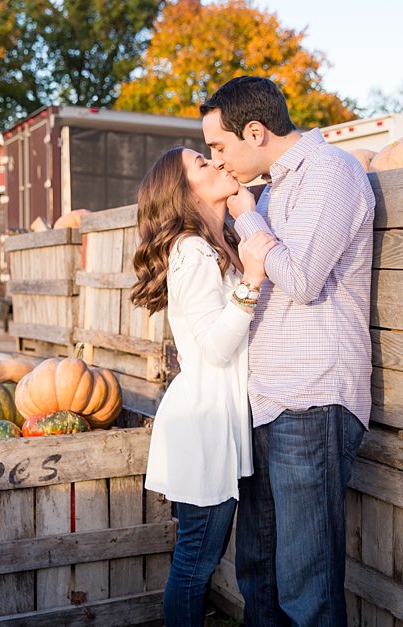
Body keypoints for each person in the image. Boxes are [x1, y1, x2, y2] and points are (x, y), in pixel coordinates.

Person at [199, 76, 375, 626]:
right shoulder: (273, 188)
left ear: (255, 131)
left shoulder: (332, 173)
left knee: (307, 585)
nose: (218, 162)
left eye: (220, 148)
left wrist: (245, 217)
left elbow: (299, 278)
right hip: (266, 400)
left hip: (314, 398)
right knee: (260, 575)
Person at [131, 146, 276, 626]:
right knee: (196, 563)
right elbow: (214, 348)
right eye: (202, 163)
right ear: (184, 193)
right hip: (203, 423)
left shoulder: (220, 242)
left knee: (198, 557)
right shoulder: (192, 251)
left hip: (219, 417)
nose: (216, 163)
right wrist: (252, 282)